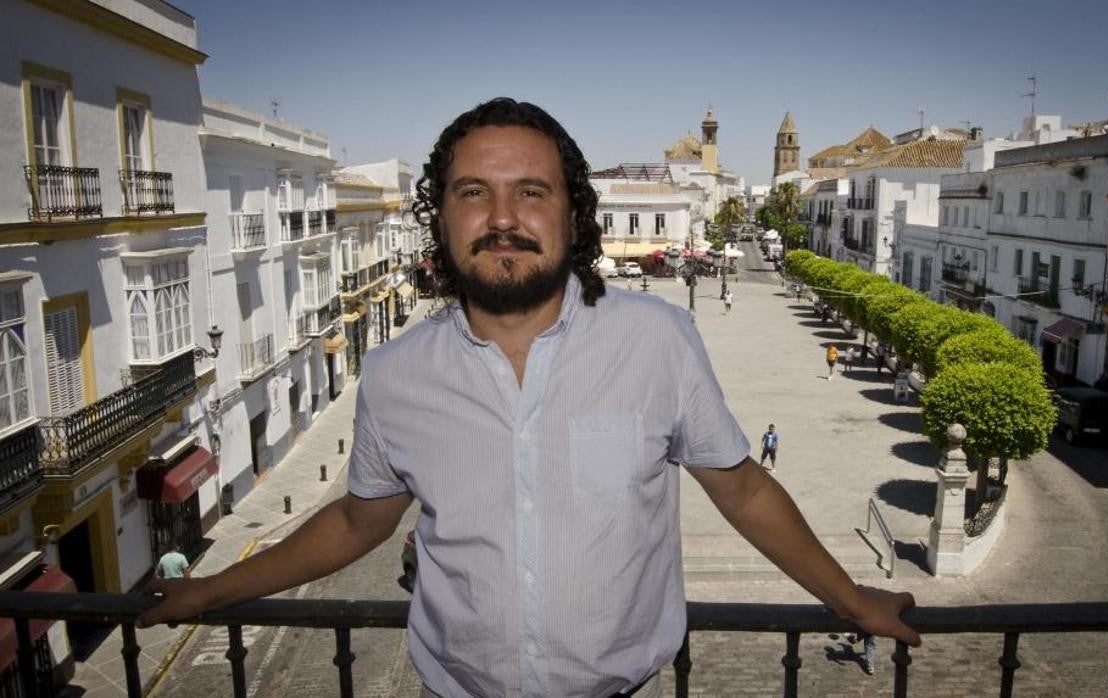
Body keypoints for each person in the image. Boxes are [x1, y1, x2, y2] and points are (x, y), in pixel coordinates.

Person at [136, 98, 919, 697]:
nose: (503, 219)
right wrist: (211, 588)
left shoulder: (656, 342)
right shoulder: (395, 373)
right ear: (439, 219)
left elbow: (742, 489)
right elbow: (354, 520)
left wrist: (849, 599)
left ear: (573, 215)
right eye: (474, 193)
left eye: (531, 193)